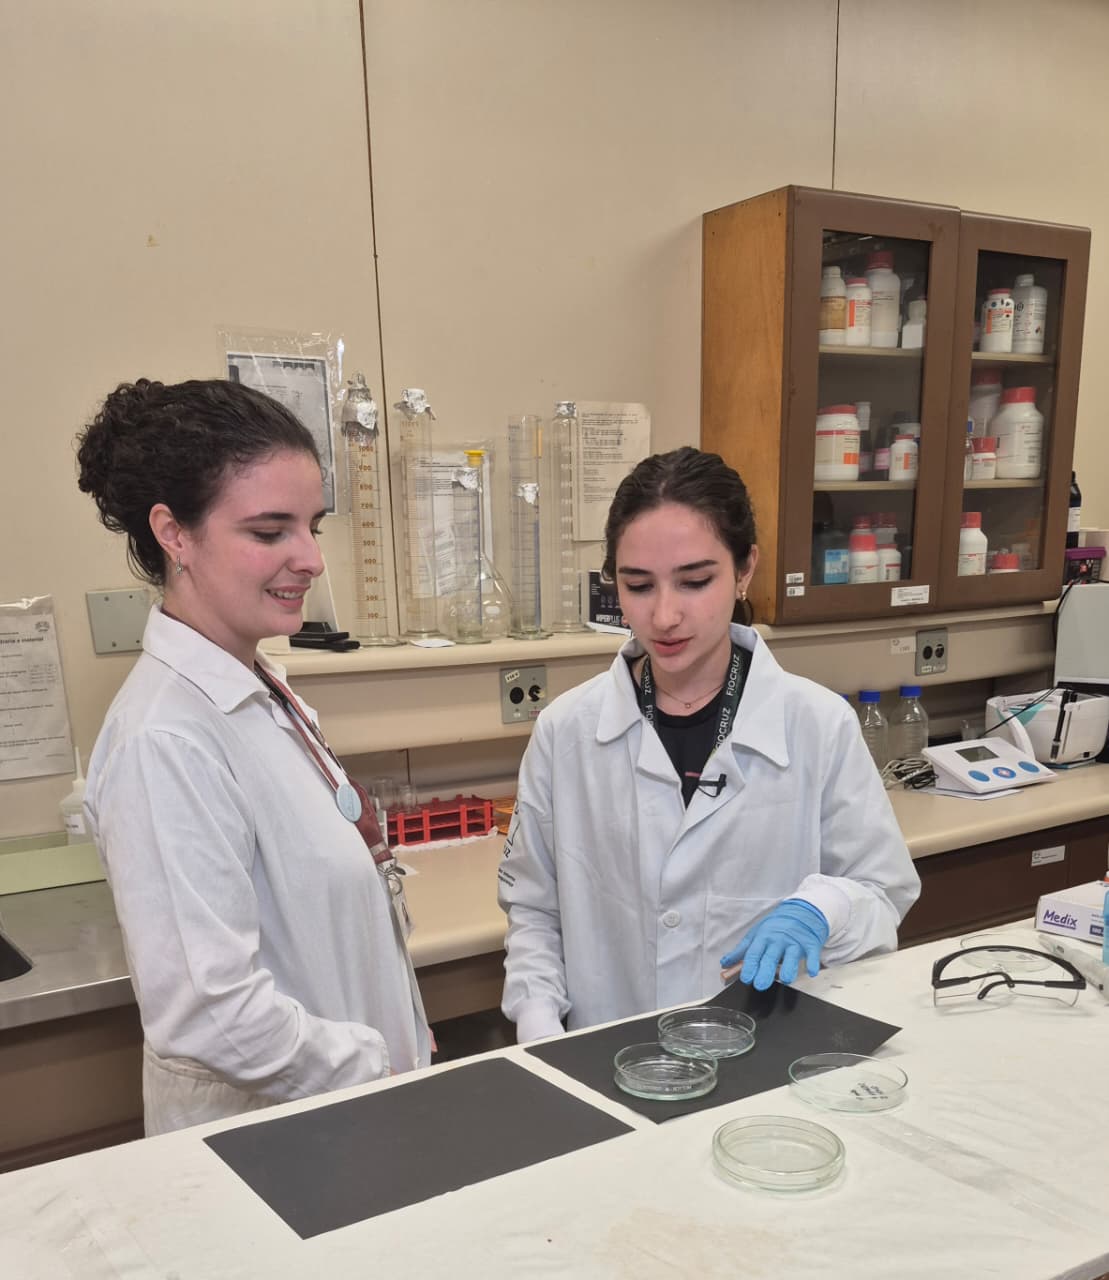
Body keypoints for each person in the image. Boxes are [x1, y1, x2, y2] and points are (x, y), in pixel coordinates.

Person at [77, 378, 431, 1134]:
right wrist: (381, 1066)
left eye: (313, 526)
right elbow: (212, 1014)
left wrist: (404, 1031)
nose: (310, 559)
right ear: (174, 533)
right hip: (278, 1146)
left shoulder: (256, 684)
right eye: (270, 532)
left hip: (352, 1114)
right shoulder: (164, 739)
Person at [498, 446, 920, 1042]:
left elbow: (881, 893)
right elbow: (535, 910)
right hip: (615, 1056)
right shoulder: (567, 732)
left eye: (695, 581)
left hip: (770, 1058)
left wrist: (823, 911)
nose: (664, 615)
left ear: (745, 568)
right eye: (638, 585)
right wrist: (539, 1023)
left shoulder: (816, 724)